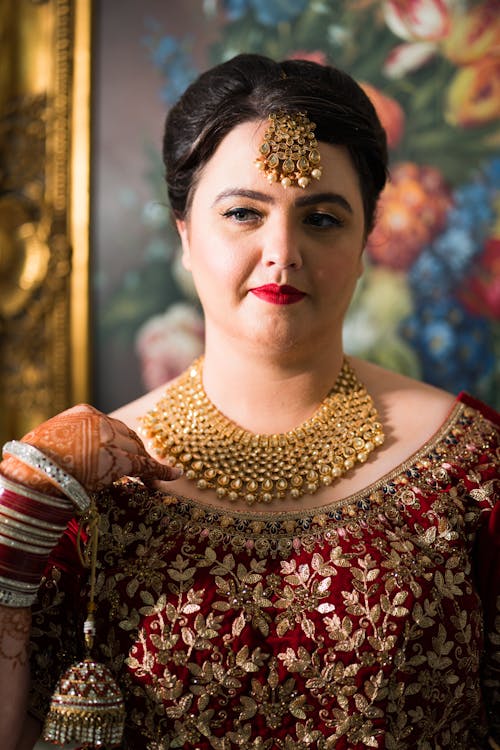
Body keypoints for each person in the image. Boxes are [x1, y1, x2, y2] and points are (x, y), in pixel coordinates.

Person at [0, 53, 498, 750]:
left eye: (321, 218)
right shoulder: (80, 482)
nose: (282, 251)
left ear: (365, 243)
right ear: (184, 232)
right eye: (243, 213)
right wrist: (18, 519)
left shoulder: (470, 468)